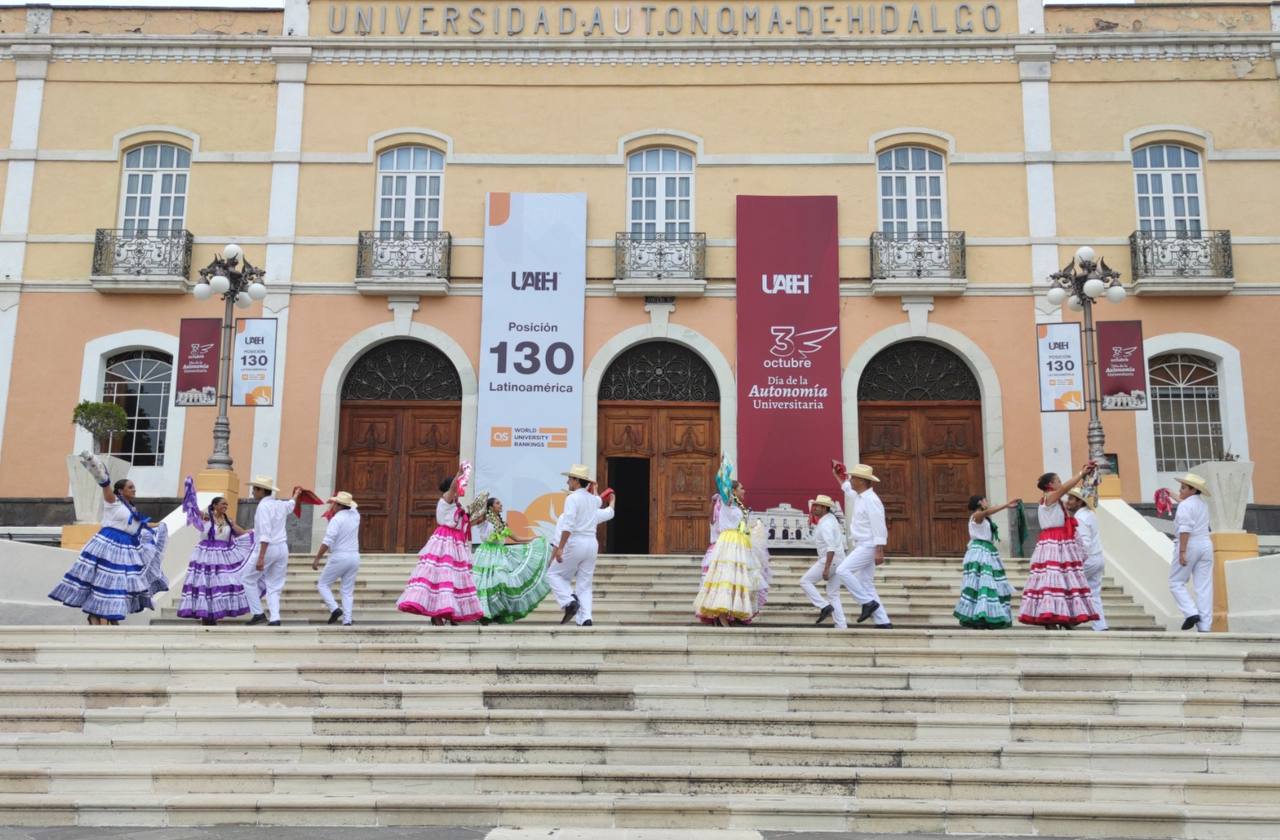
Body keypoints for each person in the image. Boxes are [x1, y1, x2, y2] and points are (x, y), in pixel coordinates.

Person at [49, 453, 168, 625]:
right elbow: (105, 486)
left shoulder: (132, 510)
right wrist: (98, 471)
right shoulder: (113, 502)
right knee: (103, 579)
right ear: (121, 491)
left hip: (126, 548)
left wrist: (162, 525)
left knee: (119, 583)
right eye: (130, 487)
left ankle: (109, 615)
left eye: (134, 487)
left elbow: (142, 526)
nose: (134, 489)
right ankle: (96, 614)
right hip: (109, 543)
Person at [397, 472, 484, 625]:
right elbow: (453, 488)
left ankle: (450, 611)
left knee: (454, 578)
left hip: (456, 541)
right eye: (459, 485)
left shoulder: (456, 504)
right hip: (446, 540)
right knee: (443, 575)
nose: (460, 487)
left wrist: (479, 518)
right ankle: (438, 613)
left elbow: (463, 523)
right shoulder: (447, 499)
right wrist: (460, 473)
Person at [1018, 464, 1098, 628]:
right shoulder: (1050, 498)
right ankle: (1051, 616)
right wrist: (1081, 473)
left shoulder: (1055, 500)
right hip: (1054, 541)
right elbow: (1067, 488)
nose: (1061, 483)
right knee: (1053, 579)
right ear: (1050, 485)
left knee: (1065, 579)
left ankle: (1066, 615)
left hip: (1061, 540)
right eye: (1058, 480)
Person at [693, 470, 770, 626]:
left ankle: (731, 614)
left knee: (737, 580)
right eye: (741, 488)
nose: (744, 491)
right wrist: (725, 474)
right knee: (725, 578)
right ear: (733, 491)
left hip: (739, 543)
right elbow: (723, 489)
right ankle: (721, 616)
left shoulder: (737, 507)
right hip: (729, 543)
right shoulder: (727, 503)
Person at [176, 478, 255, 626]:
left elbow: (242, 533)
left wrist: (257, 533)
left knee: (222, 583)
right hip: (206, 555)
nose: (226, 506)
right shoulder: (206, 517)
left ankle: (214, 613)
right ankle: (206, 616)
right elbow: (193, 509)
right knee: (205, 584)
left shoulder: (229, 521)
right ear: (214, 505)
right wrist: (189, 491)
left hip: (223, 556)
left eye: (227, 504)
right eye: (223, 503)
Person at [548, 464, 616, 627]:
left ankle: (570, 601)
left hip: (575, 542)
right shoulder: (593, 500)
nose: (567, 482)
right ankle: (585, 618)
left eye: (570, 479)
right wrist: (612, 499)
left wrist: (561, 547)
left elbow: (568, 525)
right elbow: (607, 510)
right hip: (592, 544)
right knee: (584, 583)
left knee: (553, 574)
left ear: (577, 481)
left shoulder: (572, 498)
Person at [472, 495, 553, 623]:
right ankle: (483, 613)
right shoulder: (484, 520)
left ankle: (495, 611)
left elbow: (517, 538)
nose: (501, 505)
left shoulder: (502, 524)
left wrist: (534, 539)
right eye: (498, 503)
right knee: (484, 583)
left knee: (501, 582)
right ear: (491, 507)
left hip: (500, 555)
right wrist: (482, 506)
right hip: (486, 555)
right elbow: (474, 519)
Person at [829, 464, 891, 629]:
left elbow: (879, 525)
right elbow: (846, 488)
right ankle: (883, 621)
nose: (851, 480)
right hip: (863, 544)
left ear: (862, 481)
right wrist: (838, 475)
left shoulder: (872, 500)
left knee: (843, 570)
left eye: (854, 478)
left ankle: (867, 603)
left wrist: (879, 549)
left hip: (869, 545)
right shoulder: (860, 496)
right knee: (866, 583)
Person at [953, 494, 1020, 629]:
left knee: (989, 584)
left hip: (987, 551)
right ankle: (980, 616)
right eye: (985, 500)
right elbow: (988, 512)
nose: (987, 502)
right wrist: (1006, 505)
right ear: (979, 502)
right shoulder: (977, 516)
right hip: (980, 552)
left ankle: (985, 616)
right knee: (982, 584)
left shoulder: (982, 517)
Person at [243, 476, 301, 627]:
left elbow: (265, 533)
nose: (253, 491)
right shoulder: (279, 504)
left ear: (262, 491)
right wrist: (295, 495)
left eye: (255, 488)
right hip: (282, 548)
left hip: (267, 547)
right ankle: (275, 617)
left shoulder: (263, 507)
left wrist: (261, 557)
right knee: (274, 585)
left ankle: (258, 613)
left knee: (247, 579)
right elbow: (291, 505)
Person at [1168, 472, 1214, 632]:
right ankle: (1205, 625)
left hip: (1190, 544)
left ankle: (1191, 613)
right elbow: (1184, 502)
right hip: (1206, 544)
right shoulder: (1202, 504)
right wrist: (1171, 494)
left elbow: (1185, 528)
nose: (1180, 490)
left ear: (1193, 490)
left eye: (1183, 488)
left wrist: (1182, 551)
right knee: (1204, 586)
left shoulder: (1185, 505)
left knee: (1175, 582)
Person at [313, 491, 361, 626]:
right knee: (347, 590)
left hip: (340, 556)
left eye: (334, 503)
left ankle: (335, 609)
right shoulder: (356, 516)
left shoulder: (337, 519)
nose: (332, 505)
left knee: (323, 584)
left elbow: (327, 541)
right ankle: (347, 620)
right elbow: (354, 507)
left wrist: (317, 558)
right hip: (354, 556)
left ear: (339, 505)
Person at [1066, 487, 1108, 632]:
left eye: (1071, 499)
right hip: (1098, 558)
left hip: (1088, 559)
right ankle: (1100, 626)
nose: (1068, 501)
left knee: (1068, 586)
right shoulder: (1089, 514)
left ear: (1079, 502)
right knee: (1094, 593)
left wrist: (1076, 560)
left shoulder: (1080, 518)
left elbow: (1085, 542)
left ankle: (1072, 618)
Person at [800, 494, 844, 625]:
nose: (813, 508)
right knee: (833, 594)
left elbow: (831, 547)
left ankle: (824, 606)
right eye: (814, 506)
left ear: (825, 508)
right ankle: (841, 625)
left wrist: (826, 568)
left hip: (830, 559)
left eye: (817, 506)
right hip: (839, 560)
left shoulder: (826, 524)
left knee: (805, 581)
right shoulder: (829, 520)